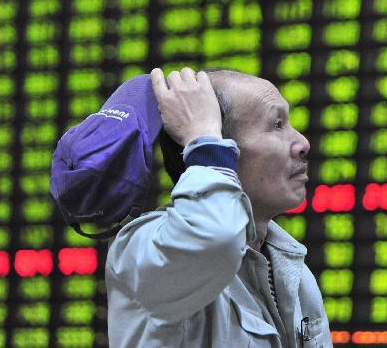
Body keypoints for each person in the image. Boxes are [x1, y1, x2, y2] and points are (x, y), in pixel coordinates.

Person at [104, 67, 332, 347]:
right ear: (221, 144)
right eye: (276, 124)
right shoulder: (146, 249)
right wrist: (204, 141)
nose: (302, 143)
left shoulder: (293, 271)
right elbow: (216, 238)